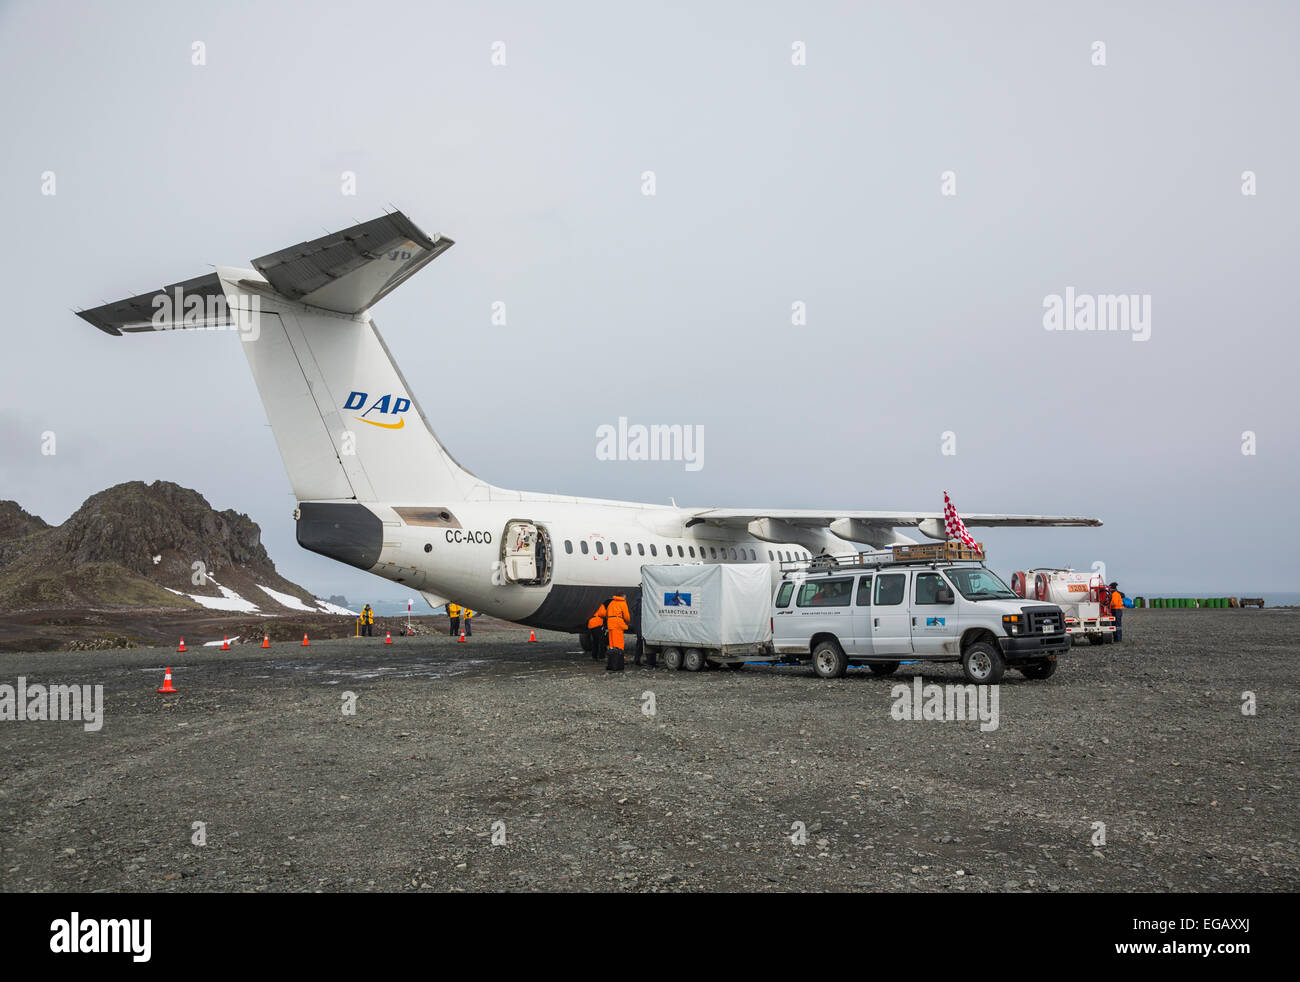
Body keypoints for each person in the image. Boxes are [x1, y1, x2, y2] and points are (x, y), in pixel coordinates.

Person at [605, 593, 631, 672]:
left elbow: (606, 614)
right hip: (617, 624)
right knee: (619, 643)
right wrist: (627, 622)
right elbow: (626, 616)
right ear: (622, 596)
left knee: (612, 644)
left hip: (610, 624)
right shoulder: (622, 603)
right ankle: (620, 661)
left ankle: (612, 662)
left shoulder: (611, 603)